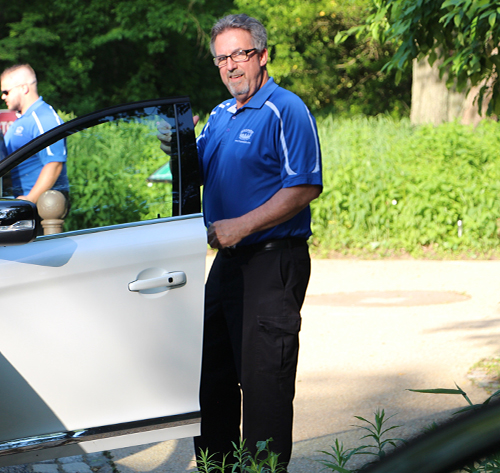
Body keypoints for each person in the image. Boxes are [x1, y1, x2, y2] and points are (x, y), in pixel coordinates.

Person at [159, 13, 322, 470]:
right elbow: (197, 175)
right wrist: (177, 149)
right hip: (228, 265)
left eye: (241, 54)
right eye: (222, 58)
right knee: (210, 377)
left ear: (263, 55)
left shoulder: (285, 109)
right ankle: (218, 467)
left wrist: (241, 225)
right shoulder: (219, 116)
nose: (231, 65)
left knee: (265, 383)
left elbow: (305, 186)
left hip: (274, 262)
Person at [0, 64, 69, 203]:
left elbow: (54, 164)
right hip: (23, 204)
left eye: (6, 91)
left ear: (24, 88)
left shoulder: (44, 118)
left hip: (44, 206)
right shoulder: (22, 120)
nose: (2, 97)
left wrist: (29, 200)